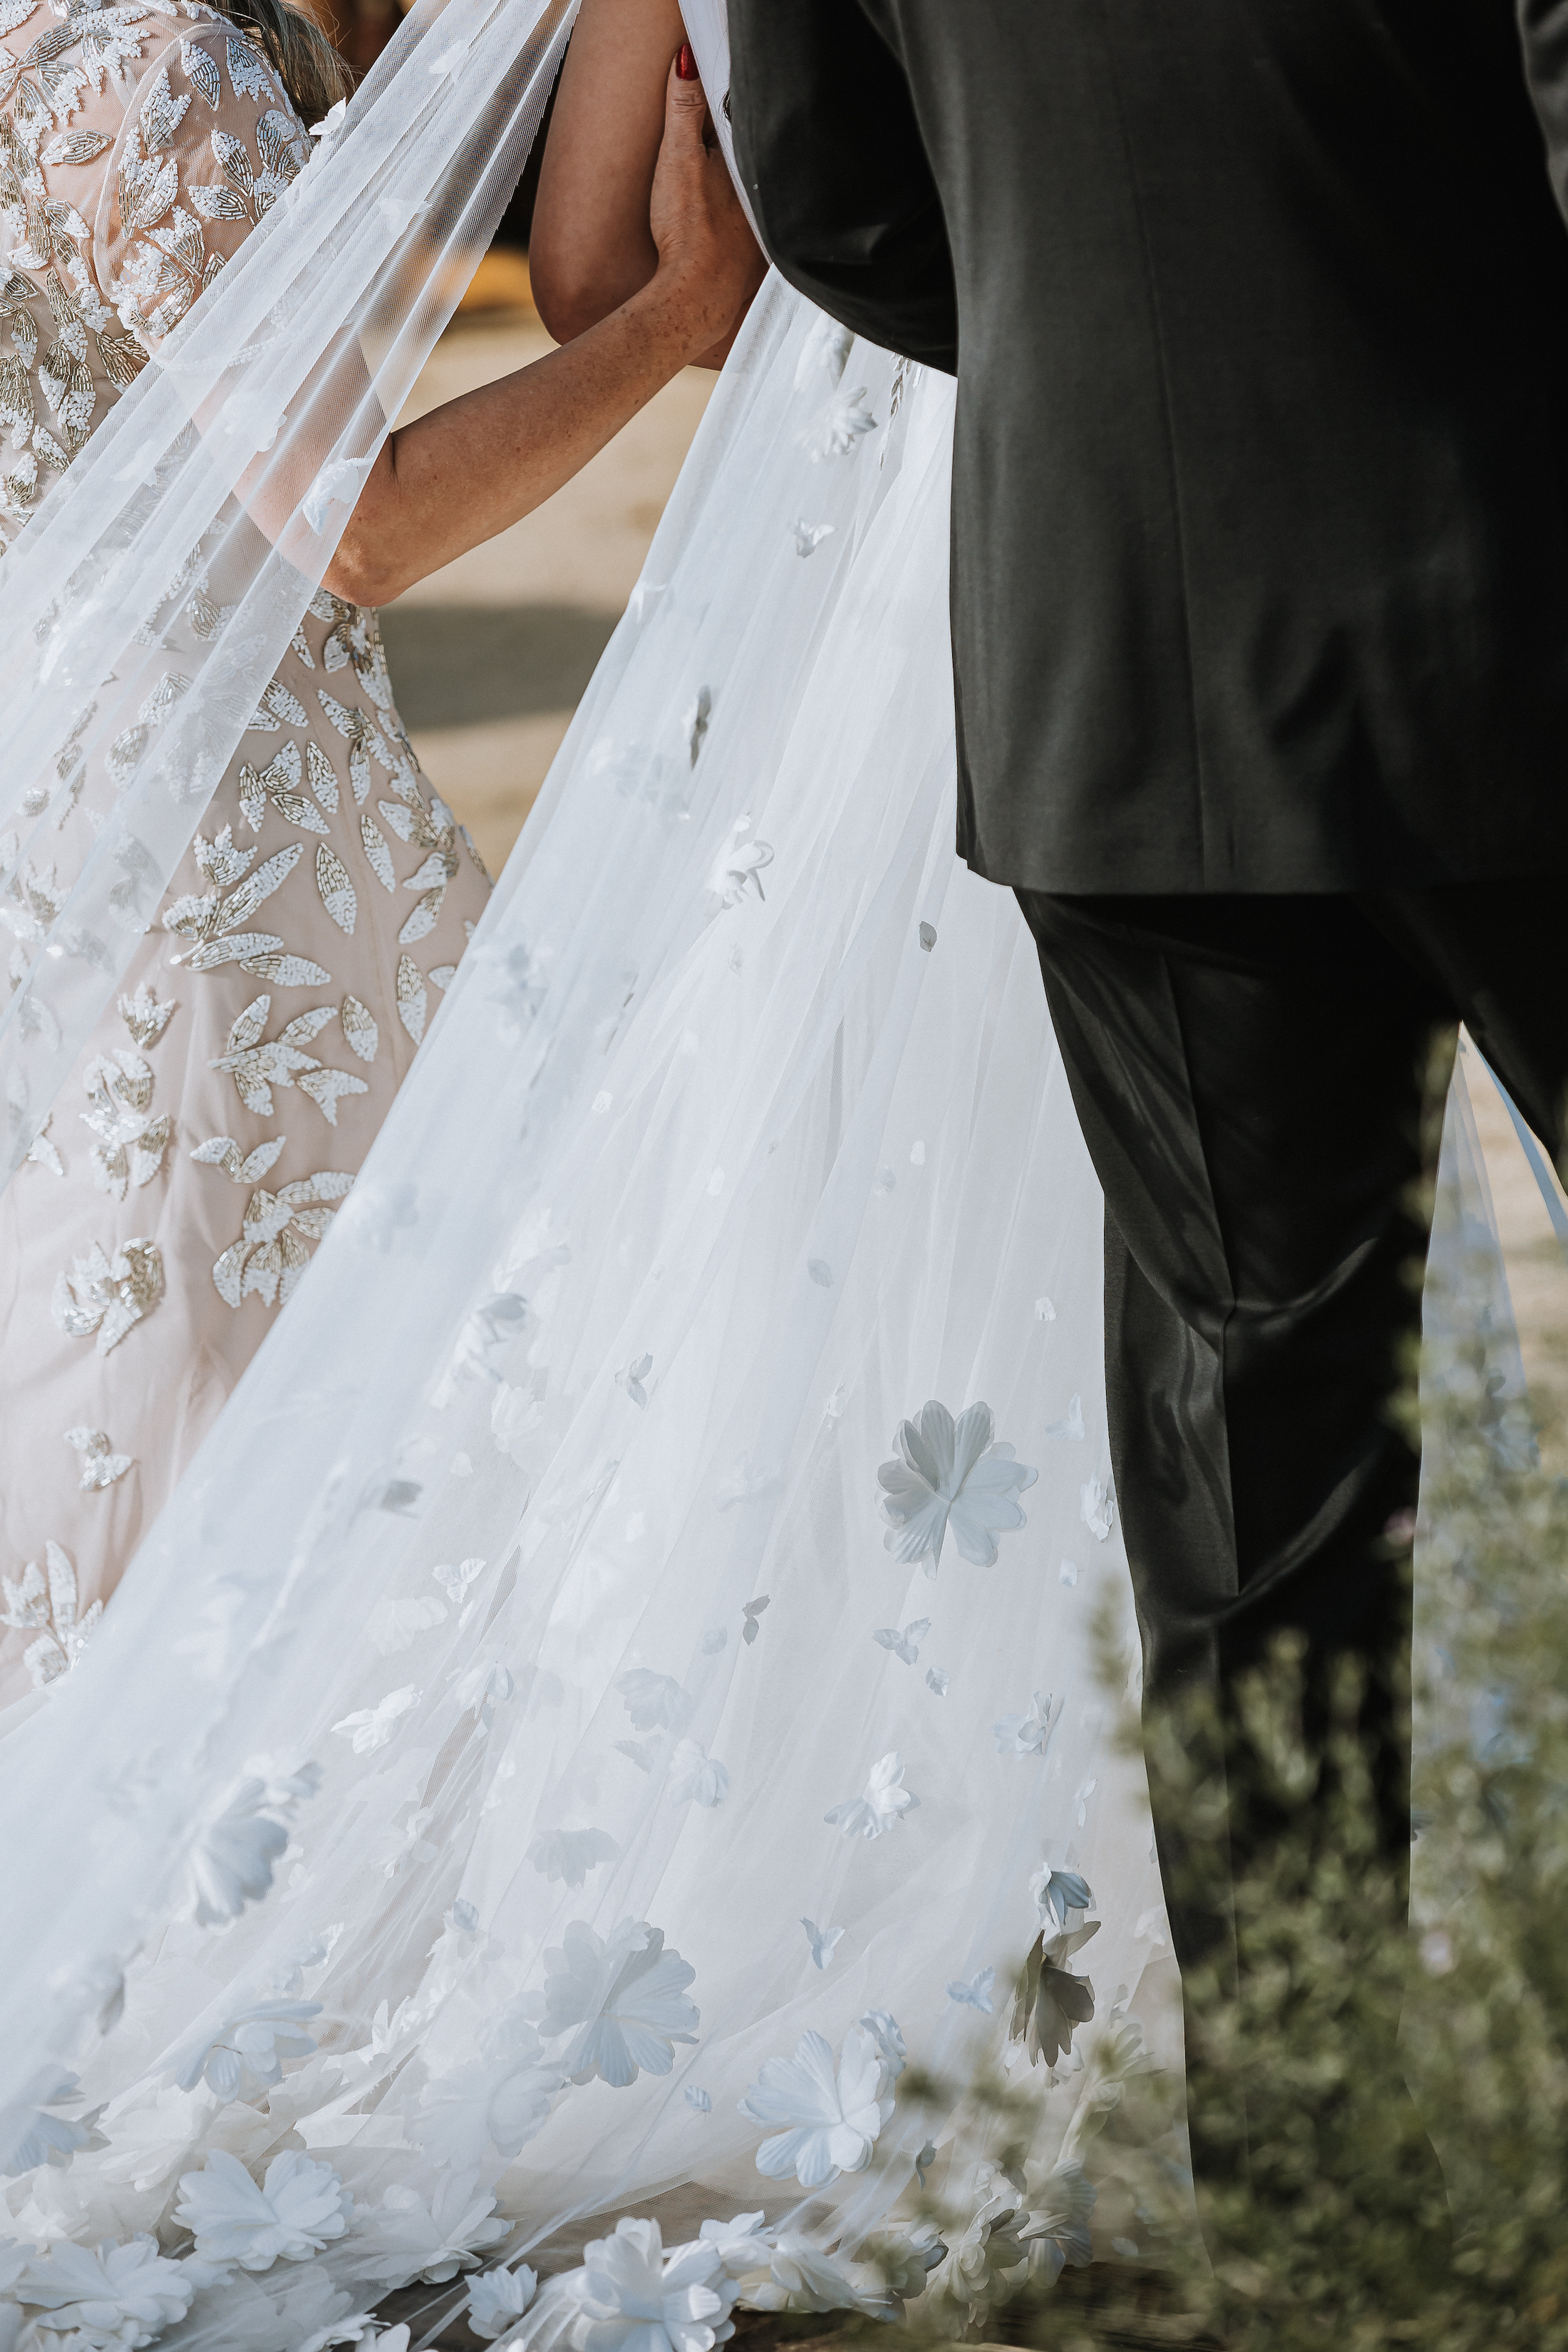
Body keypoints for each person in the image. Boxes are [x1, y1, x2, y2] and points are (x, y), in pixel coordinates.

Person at [724, 0, 1568, 2194]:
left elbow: (825, 190)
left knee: (1254, 1474)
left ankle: (1309, 2202)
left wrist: (1126, 345)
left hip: (1125, 643)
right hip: (1513, 601)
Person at [0, 0, 759, 1708]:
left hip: (70, 838)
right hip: (222, 877)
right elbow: (362, 523)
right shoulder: (153, 68)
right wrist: (673, 321)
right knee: (237, 1413)